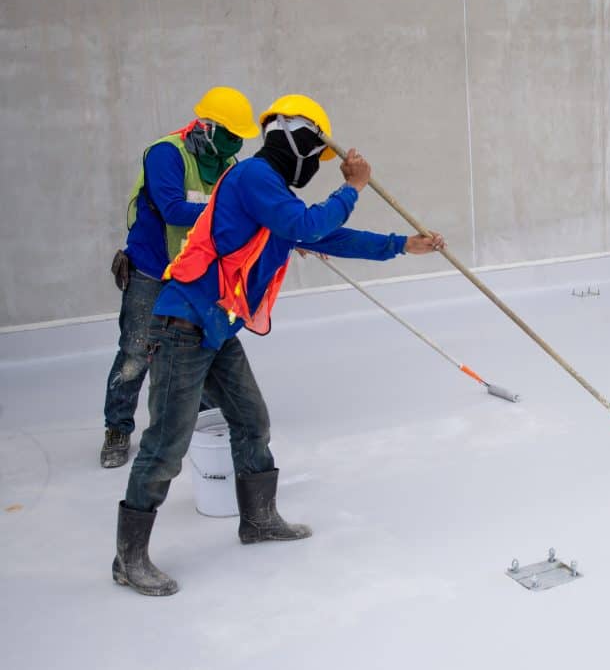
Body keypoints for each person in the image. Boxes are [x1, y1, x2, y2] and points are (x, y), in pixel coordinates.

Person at [112, 94, 446, 596]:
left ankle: (258, 520)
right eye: (316, 154)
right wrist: (352, 187)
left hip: (216, 326)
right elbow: (307, 225)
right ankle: (128, 559)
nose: (315, 165)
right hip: (183, 326)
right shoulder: (254, 177)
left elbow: (326, 237)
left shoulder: (273, 195)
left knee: (252, 420)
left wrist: (400, 245)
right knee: (165, 445)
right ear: (299, 143)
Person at [101, 87, 260, 469]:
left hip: (194, 274)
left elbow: (242, 209)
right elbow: (173, 209)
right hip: (152, 269)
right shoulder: (165, 154)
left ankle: (198, 420)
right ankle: (117, 428)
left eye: (240, 136)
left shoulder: (227, 161)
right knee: (136, 351)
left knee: (196, 348)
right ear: (207, 127)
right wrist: (235, 213)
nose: (236, 143)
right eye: (231, 134)